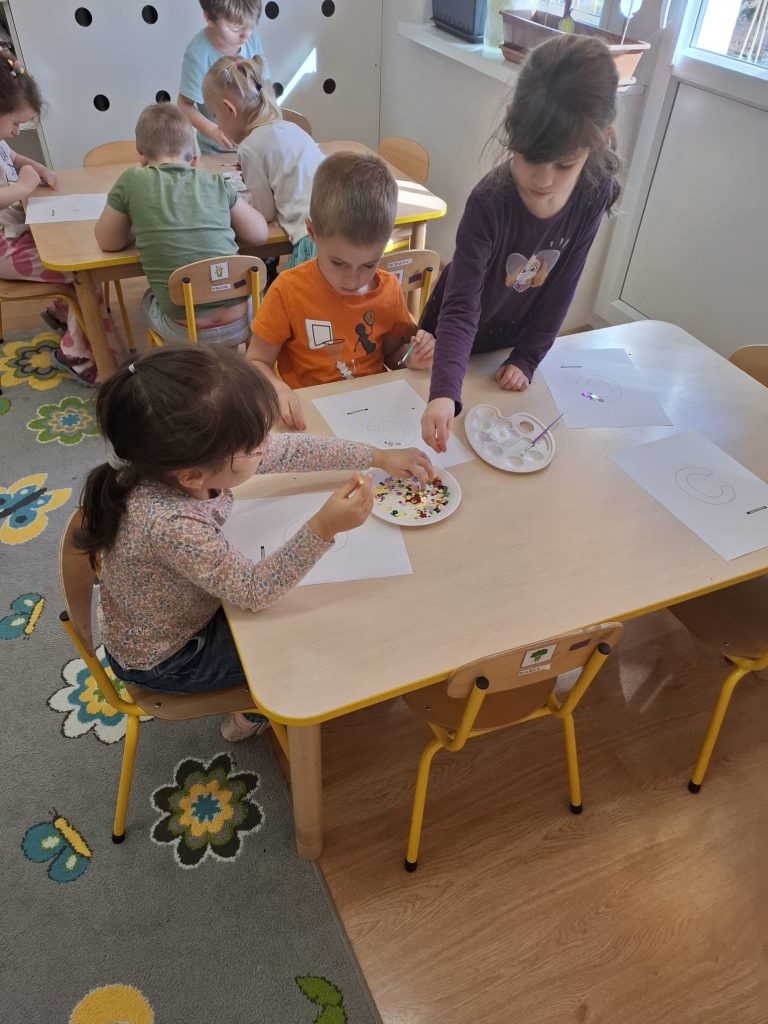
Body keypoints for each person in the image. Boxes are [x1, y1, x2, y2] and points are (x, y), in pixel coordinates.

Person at [75, 346, 433, 741]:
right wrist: (324, 527)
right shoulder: (168, 523)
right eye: (253, 447)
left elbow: (289, 450)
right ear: (193, 477)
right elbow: (253, 591)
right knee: (317, 640)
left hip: (179, 611)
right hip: (170, 658)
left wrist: (377, 456)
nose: (266, 446)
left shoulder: (184, 461)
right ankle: (253, 712)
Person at [421, 34, 622, 453]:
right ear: (513, 126)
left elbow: (563, 285)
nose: (544, 179)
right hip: (451, 338)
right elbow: (461, 305)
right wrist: (443, 391)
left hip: (508, 340)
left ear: (599, 142)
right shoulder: (489, 201)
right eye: (531, 157)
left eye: (564, 164)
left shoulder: (593, 192)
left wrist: (528, 356)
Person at [246, 151, 435, 430]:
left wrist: (411, 358)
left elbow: (394, 355)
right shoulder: (288, 290)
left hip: (372, 411)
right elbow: (256, 361)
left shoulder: (389, 289)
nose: (353, 279)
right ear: (312, 233)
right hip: (309, 415)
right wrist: (278, 389)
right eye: (338, 263)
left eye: (369, 264)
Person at [94, 102, 268, 347]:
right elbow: (260, 234)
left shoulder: (131, 180)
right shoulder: (215, 182)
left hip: (185, 332)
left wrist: (136, 230)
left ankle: (180, 360)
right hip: (241, 323)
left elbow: (108, 241)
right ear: (194, 160)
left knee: (147, 299)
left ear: (141, 157)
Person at [0, 50, 121, 385]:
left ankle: (65, 311)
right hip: (3, 249)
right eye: (15, 123)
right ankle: (77, 355)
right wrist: (23, 187)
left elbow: (13, 155)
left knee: (77, 250)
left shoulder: (1, 141)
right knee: (84, 270)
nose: (17, 131)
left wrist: (36, 167)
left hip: (12, 236)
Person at [203, 55, 324, 268]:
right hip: (341, 225)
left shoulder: (250, 147)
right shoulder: (292, 128)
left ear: (229, 110)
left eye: (215, 116)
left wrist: (239, 202)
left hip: (312, 238)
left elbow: (264, 214)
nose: (218, 126)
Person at [177, 0, 270, 155]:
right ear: (209, 18)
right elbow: (184, 105)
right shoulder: (197, 55)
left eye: (250, 26)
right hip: (219, 150)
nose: (246, 35)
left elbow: (265, 86)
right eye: (235, 28)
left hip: (254, 145)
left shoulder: (252, 39)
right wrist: (213, 131)